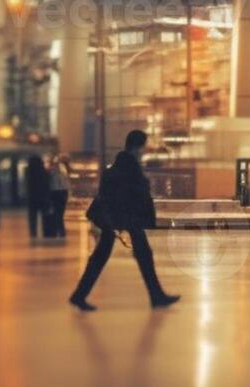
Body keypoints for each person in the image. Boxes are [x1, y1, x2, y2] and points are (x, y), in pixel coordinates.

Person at [69, 130, 179, 311]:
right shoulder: (130, 166)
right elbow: (136, 194)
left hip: (113, 218)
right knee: (141, 255)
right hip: (126, 218)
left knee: (104, 257)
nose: (145, 151)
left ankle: (79, 295)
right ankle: (156, 296)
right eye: (144, 147)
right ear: (138, 147)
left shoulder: (117, 166)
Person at [24, 154, 51, 239]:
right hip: (42, 197)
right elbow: (47, 185)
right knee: (44, 217)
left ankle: (33, 233)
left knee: (32, 217)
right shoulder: (44, 172)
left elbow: (27, 186)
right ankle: (45, 232)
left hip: (32, 197)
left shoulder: (29, 172)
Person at [46, 155, 72, 238]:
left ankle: (58, 230)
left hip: (56, 192)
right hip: (63, 192)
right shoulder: (63, 169)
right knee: (60, 213)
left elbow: (52, 182)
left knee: (57, 213)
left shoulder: (53, 169)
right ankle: (61, 230)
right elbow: (66, 183)